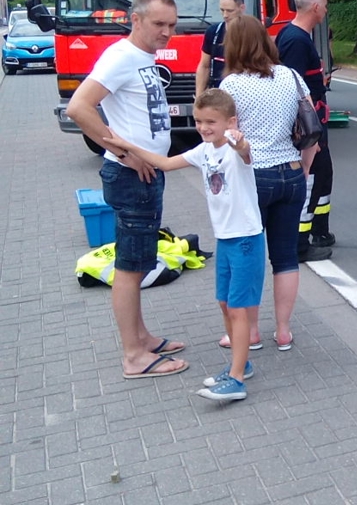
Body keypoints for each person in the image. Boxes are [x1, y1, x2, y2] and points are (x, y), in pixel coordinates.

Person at [103, 89, 263, 401]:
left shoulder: (234, 149)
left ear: (230, 121)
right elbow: (163, 162)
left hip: (245, 238)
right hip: (225, 239)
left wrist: (239, 141)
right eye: (200, 120)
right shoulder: (203, 151)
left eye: (211, 122)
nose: (204, 127)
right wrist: (125, 146)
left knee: (239, 309)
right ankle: (242, 364)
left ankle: (236, 379)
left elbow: (246, 152)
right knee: (224, 304)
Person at [66, 0, 189, 379]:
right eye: (159, 24)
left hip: (145, 173)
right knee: (131, 267)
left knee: (138, 260)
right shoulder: (120, 57)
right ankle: (134, 356)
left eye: (172, 25)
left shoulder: (143, 57)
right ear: (135, 20)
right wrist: (124, 153)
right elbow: (78, 107)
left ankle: (142, 336)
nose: (167, 32)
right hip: (131, 175)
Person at [221, 15, 316, 353]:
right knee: (286, 256)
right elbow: (312, 134)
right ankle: (284, 331)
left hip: (252, 177)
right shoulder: (291, 77)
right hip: (290, 172)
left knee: (248, 254)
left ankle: (250, 333)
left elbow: (222, 138)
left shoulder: (231, 85)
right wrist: (301, 171)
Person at [276, 0, 334, 262]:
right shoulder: (297, 41)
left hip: (315, 123)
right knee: (310, 181)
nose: (325, 9)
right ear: (314, 7)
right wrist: (308, 137)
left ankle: (318, 232)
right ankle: (299, 243)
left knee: (323, 178)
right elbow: (293, 89)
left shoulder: (296, 36)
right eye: (324, 4)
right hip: (309, 130)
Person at [195, 0, 246, 96]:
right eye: (222, 10)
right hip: (218, 94)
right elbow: (204, 66)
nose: (225, 15)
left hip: (244, 92)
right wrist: (199, 97)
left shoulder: (252, 32)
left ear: (242, 8)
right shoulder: (213, 32)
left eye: (230, 11)